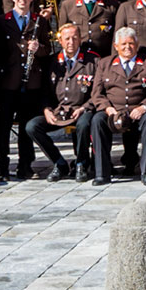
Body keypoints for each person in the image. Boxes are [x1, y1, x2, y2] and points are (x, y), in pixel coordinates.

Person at [25, 22, 99, 181]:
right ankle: (59, 163)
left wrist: (85, 107)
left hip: (82, 110)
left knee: (84, 124)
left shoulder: (92, 61)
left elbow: (99, 92)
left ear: (80, 39)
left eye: (74, 38)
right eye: (67, 39)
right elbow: (44, 91)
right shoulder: (52, 62)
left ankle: (81, 163)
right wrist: (46, 109)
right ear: (60, 41)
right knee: (32, 126)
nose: (71, 42)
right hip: (59, 111)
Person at [0, 0, 50, 180]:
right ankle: (2, 164)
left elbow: (48, 50)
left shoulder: (39, 21)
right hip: (8, 83)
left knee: (26, 127)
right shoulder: (2, 20)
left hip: (31, 83)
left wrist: (39, 48)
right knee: (3, 126)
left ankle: (25, 165)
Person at [93, 27, 146, 183]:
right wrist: (107, 108)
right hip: (113, 111)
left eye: (131, 43)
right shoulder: (105, 64)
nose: (127, 47)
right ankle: (102, 173)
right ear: (116, 46)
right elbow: (97, 93)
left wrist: (144, 106)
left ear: (137, 45)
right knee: (97, 121)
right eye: (123, 44)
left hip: (140, 111)